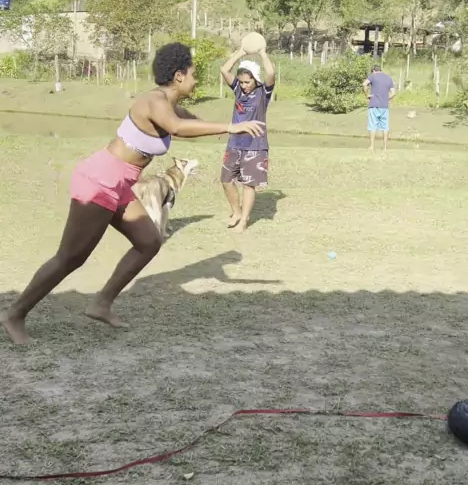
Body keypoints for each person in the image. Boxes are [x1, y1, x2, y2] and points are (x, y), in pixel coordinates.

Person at [0, 43, 264, 345]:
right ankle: (14, 314)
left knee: (149, 241)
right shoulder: (153, 101)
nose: (196, 81)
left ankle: (101, 304)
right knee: (71, 257)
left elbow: (188, 120)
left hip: (121, 183)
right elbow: (177, 127)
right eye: (193, 75)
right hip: (100, 180)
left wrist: (228, 127)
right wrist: (231, 127)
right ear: (178, 76)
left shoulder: (171, 104)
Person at [220, 35, 275, 233]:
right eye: (241, 81)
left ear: (255, 79)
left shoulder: (262, 93)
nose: (244, 85)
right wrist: (241, 52)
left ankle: (244, 220)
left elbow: (270, 72)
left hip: (255, 146)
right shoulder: (238, 90)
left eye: (247, 81)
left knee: (248, 185)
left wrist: (262, 53)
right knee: (226, 180)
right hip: (235, 143)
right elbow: (224, 70)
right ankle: (236, 212)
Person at [363, 64, 395, 152]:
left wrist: (367, 95)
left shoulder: (373, 76)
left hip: (374, 105)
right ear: (380, 70)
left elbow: (364, 84)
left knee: (373, 126)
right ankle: (385, 148)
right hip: (384, 107)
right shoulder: (388, 78)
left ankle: (372, 146)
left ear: (373, 71)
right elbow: (393, 93)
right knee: (385, 127)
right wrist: (386, 99)